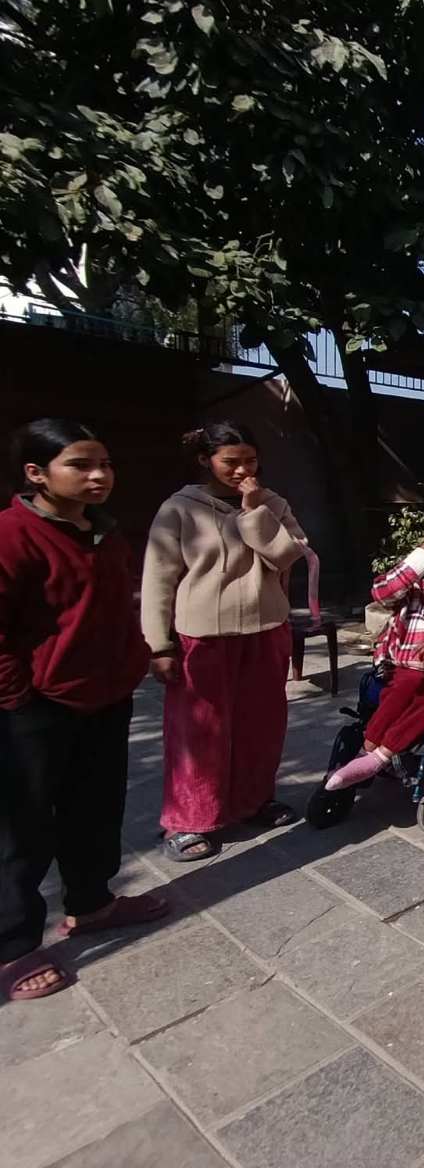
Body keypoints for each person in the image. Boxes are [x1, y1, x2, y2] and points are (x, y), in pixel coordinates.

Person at [0, 421, 167, 1002]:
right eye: (80, 465)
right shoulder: (12, 536)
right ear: (36, 473)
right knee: (23, 829)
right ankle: (16, 946)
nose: (99, 476)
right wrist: (19, 696)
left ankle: (92, 903)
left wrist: (134, 660)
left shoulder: (105, 534)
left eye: (105, 463)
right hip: (36, 706)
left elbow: (115, 609)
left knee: (96, 805)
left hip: (105, 695)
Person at [142, 421, 306, 861]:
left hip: (266, 628)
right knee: (198, 732)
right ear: (204, 460)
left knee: (262, 725)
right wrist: (159, 645)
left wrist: (254, 511)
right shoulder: (179, 508)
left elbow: (289, 554)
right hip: (203, 636)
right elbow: (159, 578)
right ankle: (189, 819)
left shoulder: (272, 503)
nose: (241, 470)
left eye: (250, 460)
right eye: (230, 462)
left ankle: (253, 801)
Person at [325, 529, 424, 791]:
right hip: (406, 660)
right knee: (407, 684)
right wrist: (422, 555)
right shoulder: (415, 586)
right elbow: (382, 593)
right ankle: (367, 748)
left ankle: (377, 757)